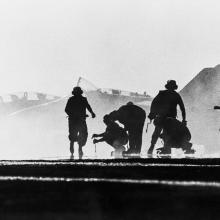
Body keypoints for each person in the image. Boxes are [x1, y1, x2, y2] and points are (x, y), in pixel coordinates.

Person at [147, 80, 186, 154]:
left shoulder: (163, 94)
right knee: (163, 133)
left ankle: (155, 147)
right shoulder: (175, 95)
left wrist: (152, 113)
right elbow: (182, 108)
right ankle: (158, 147)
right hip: (167, 118)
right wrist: (184, 119)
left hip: (165, 118)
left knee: (160, 132)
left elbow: (154, 103)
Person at [65, 86, 96, 156]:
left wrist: (92, 113)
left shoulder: (80, 99)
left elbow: (88, 106)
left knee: (82, 134)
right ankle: (75, 146)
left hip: (78, 120)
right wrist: (92, 113)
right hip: (77, 120)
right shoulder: (75, 99)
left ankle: (79, 148)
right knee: (77, 134)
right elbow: (66, 109)